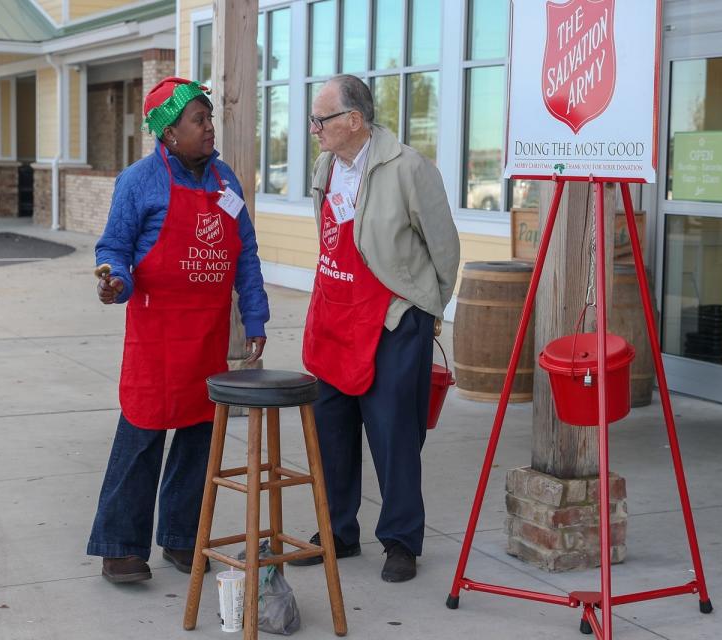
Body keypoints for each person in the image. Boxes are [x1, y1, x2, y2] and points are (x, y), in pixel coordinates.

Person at [87, 77, 269, 584]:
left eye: (209, 118)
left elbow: (246, 256)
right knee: (141, 437)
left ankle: (183, 539)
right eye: (199, 120)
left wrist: (255, 317)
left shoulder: (226, 181)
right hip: (157, 337)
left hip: (208, 337)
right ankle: (120, 547)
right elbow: (114, 249)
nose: (210, 128)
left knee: (197, 442)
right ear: (168, 134)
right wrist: (114, 283)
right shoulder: (139, 181)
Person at [293, 74, 460, 582]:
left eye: (320, 119)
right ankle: (338, 531)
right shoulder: (326, 165)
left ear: (354, 121)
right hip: (336, 316)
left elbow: (444, 248)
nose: (312, 128)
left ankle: (401, 540)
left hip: (392, 319)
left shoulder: (409, 168)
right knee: (332, 433)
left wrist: (426, 310)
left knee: (393, 437)